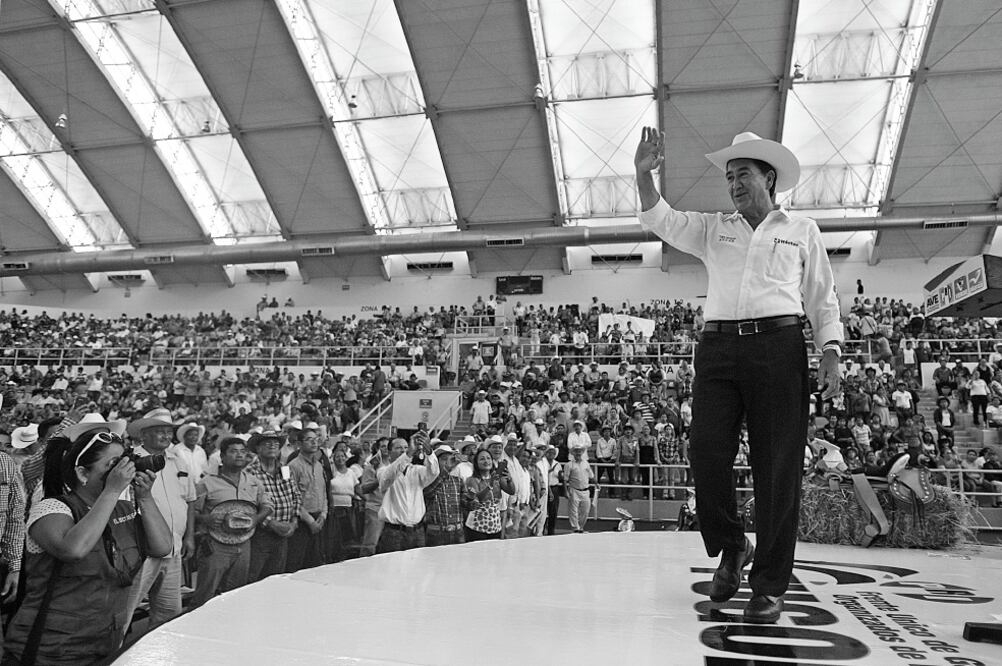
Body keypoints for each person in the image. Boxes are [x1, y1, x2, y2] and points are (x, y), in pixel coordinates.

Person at [635, 127, 842, 624]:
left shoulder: (802, 230)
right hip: (720, 347)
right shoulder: (714, 228)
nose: (733, 184)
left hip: (780, 345)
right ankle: (732, 546)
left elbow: (822, 297)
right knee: (705, 452)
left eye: (742, 174)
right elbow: (660, 218)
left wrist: (830, 350)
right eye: (729, 177)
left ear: (768, 178)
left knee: (777, 468)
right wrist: (644, 175)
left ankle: (770, 585)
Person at [2, 430, 171, 665]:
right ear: (82, 472)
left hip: (104, 640)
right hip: (52, 649)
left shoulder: (121, 508)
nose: (123, 470)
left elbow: (162, 547)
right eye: (113, 464)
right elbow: (74, 549)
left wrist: (145, 497)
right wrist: (112, 490)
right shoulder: (51, 509)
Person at [122, 408, 197, 635]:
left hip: (173, 548)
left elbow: (190, 500)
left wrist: (190, 536)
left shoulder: (178, 460)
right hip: (141, 549)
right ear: (144, 434)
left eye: (168, 432)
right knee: (124, 612)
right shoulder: (130, 462)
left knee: (168, 614)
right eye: (159, 431)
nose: (166, 436)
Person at [190, 437, 273, 609]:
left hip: (244, 544)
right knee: (205, 593)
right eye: (234, 451)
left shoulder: (252, 481)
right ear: (222, 456)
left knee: (236, 592)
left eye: (243, 452)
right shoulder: (206, 483)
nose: (239, 455)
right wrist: (206, 519)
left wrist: (256, 520)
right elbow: (191, 511)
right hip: (215, 546)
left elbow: (267, 505)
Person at [246, 432, 301, 581]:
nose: (272, 446)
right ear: (257, 449)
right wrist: (271, 523)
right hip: (261, 534)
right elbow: (248, 505)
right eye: (267, 443)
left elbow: (295, 494)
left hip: (284, 533)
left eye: (276, 444)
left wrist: (294, 522)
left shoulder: (285, 469)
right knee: (253, 577)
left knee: (276, 577)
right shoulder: (250, 472)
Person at [376, 437, 438, 553]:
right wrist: (409, 453)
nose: (403, 450)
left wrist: (429, 451)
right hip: (393, 533)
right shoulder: (383, 471)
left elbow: (434, 472)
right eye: (398, 448)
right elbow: (388, 477)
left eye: (405, 447)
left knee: (417, 568)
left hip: (417, 531)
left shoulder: (417, 471)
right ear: (389, 453)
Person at [285, 424, 328, 571]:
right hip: (302, 521)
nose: (314, 442)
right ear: (299, 444)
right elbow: (290, 496)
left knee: (316, 565)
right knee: (297, 564)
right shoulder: (293, 466)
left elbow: (324, 492)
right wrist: (310, 521)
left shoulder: (319, 466)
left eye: (316, 439)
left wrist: (323, 514)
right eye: (309, 440)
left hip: (319, 519)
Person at [463, 449, 514, 542]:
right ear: (476, 463)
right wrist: (490, 484)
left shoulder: (497, 478)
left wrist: (509, 479)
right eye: (482, 459)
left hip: (495, 525)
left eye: (488, 458)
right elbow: (477, 498)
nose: (486, 461)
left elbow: (512, 491)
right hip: (477, 527)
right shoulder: (472, 480)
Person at [422, 444, 466, 547]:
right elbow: (428, 494)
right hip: (436, 532)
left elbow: (465, 503)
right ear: (436, 462)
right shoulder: (428, 480)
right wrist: (446, 472)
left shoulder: (458, 481)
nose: (447, 462)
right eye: (444, 459)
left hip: (458, 531)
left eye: (450, 459)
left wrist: (473, 500)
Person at [327, 447, 361, 561]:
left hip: (349, 508)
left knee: (348, 537)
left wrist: (367, 499)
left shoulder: (351, 473)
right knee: (336, 536)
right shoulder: (331, 472)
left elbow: (357, 488)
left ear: (346, 458)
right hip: (335, 508)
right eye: (337, 457)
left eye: (342, 456)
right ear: (333, 459)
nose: (340, 459)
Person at [563, 444, 594, 533]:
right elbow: (565, 479)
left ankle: (581, 527)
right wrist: (566, 491)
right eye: (576, 451)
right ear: (573, 453)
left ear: (582, 452)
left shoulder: (586, 463)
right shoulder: (569, 465)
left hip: (585, 490)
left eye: (579, 451)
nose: (578, 453)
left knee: (585, 510)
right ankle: (575, 528)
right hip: (574, 489)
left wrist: (596, 483)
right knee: (573, 511)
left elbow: (591, 476)